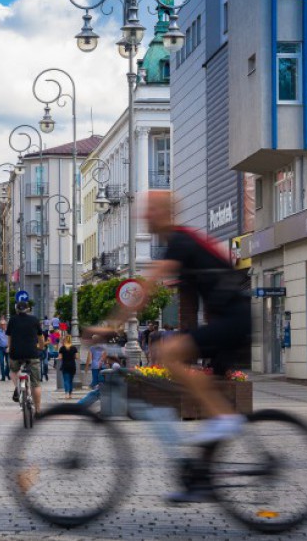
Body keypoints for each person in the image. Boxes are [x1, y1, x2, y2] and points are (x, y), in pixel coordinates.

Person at [89, 191, 252, 450]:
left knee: (168, 353)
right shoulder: (177, 242)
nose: (144, 215)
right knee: (176, 359)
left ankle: (223, 418)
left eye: (151, 209)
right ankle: (201, 474)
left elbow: (145, 289)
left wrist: (109, 325)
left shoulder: (180, 242)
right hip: (230, 320)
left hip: (235, 320)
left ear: (166, 212)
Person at [8, 302, 44, 414]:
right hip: (32, 353)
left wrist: (10, 349)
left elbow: (9, 338)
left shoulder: (12, 320)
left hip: (16, 353)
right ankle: (38, 410)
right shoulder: (34, 320)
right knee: (36, 383)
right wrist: (41, 347)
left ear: (17, 310)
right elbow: (40, 337)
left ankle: (18, 389)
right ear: (28, 309)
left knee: (13, 371)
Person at [59, 334, 78, 399]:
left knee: (66, 380)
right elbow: (77, 357)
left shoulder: (62, 348)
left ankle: (66, 393)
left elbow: (60, 357)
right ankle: (70, 394)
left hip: (65, 365)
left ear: (65, 340)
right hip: (72, 365)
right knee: (70, 380)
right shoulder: (74, 348)